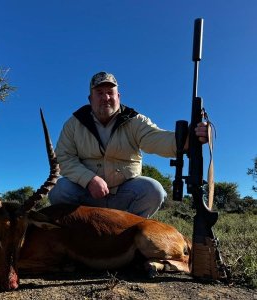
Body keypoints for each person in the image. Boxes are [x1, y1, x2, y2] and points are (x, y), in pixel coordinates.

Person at [48, 71, 208, 218]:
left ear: (118, 96)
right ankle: (79, 233)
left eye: (110, 93)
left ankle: (127, 235)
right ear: (90, 99)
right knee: (59, 189)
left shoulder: (134, 120)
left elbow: (156, 139)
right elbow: (64, 157)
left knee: (154, 190)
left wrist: (189, 140)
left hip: (123, 194)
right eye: (99, 93)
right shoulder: (73, 124)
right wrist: (89, 179)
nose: (106, 98)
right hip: (88, 195)